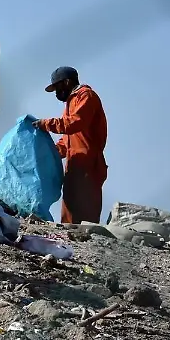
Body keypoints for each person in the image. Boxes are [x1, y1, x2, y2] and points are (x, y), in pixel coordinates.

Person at [33, 66, 108, 224]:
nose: (56, 93)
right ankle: (70, 238)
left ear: (67, 82)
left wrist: (46, 124)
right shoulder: (71, 102)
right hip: (74, 164)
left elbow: (75, 123)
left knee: (86, 214)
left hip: (88, 163)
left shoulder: (86, 96)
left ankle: (86, 239)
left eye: (57, 87)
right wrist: (49, 153)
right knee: (69, 214)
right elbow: (67, 140)